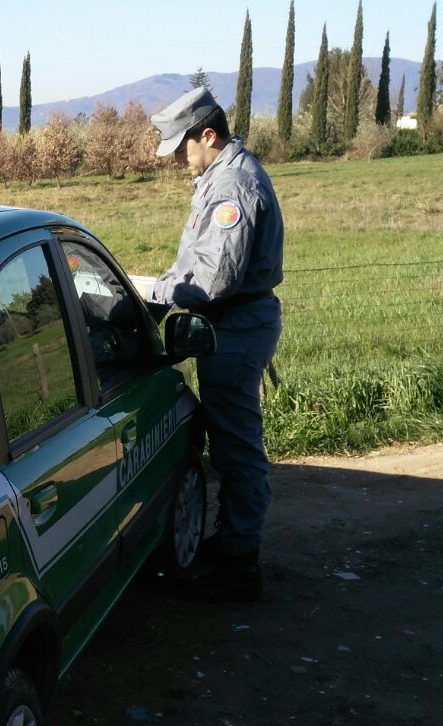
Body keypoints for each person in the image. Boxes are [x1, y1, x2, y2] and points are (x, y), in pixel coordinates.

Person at [146, 87, 284, 602]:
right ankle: (231, 545)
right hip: (230, 324)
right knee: (230, 439)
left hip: (235, 327)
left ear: (208, 135)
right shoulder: (217, 177)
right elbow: (193, 262)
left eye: (181, 148)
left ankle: (239, 563)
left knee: (237, 446)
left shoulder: (233, 187)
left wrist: (153, 294)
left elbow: (213, 280)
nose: (177, 160)